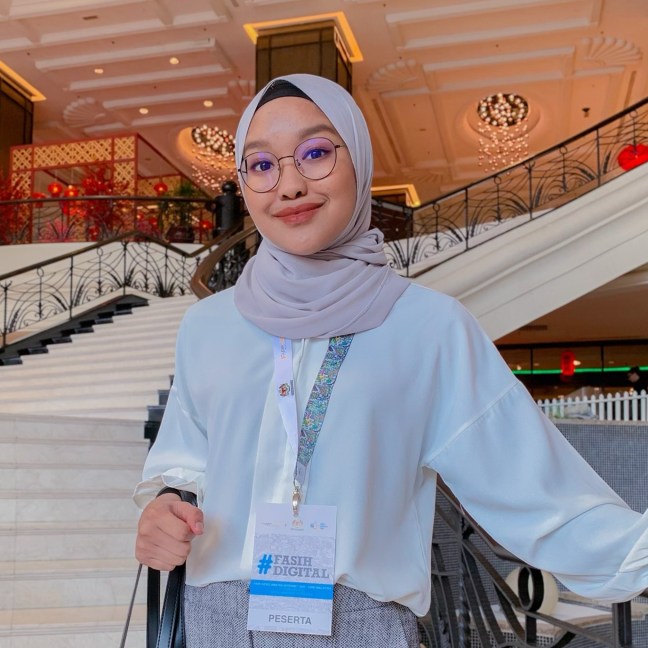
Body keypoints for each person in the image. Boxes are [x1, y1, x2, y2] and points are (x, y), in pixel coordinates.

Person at [134, 74, 648, 648]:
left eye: (316, 153)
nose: (290, 185)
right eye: (261, 165)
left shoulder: (429, 326)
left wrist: (633, 555)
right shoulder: (209, 326)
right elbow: (184, 463)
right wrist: (166, 507)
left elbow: (535, 489)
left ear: (359, 159)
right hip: (214, 622)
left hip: (358, 627)